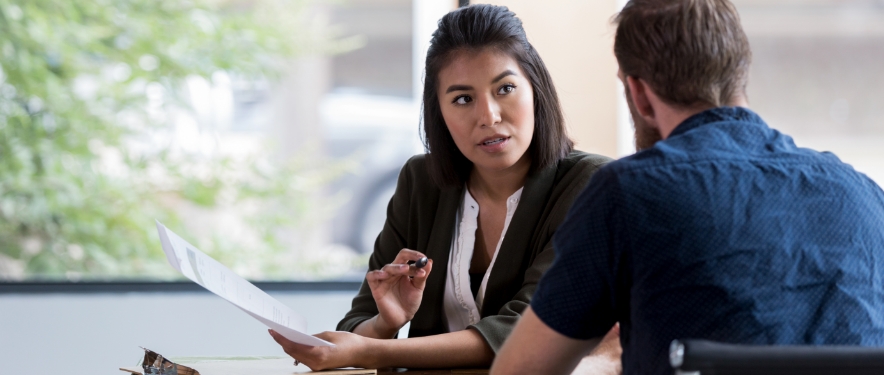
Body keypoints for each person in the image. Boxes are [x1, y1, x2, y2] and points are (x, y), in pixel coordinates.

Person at [492, 0, 884, 374]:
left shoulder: (628, 194)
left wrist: (612, 362)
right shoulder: (865, 194)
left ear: (640, 95)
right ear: (740, 72)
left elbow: (520, 370)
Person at [268, 4, 617, 371]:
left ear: (536, 90)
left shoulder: (592, 185)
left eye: (506, 88)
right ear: (440, 112)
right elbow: (358, 326)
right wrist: (386, 322)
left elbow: (527, 328)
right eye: (463, 99)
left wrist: (370, 351)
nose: (489, 116)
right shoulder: (422, 181)